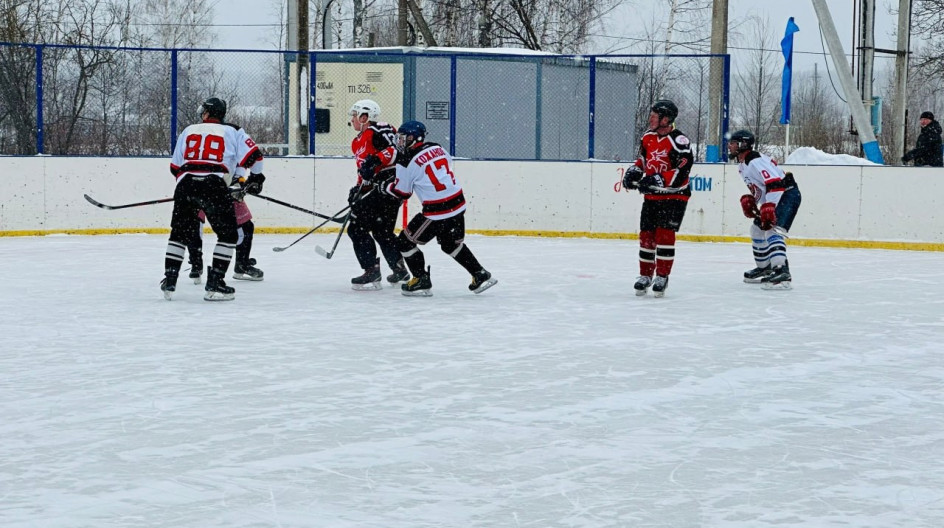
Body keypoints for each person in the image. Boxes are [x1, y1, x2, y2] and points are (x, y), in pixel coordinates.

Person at [369, 120, 496, 297]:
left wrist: (384, 186)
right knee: (450, 244)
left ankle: (420, 280)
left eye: (404, 139)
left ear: (415, 138)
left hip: (437, 209)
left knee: (404, 242)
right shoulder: (438, 148)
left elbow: (402, 193)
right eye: (399, 138)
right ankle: (480, 274)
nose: (400, 142)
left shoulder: (405, 161)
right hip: (458, 203)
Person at [160, 97, 265, 301]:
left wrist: (190, 186)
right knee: (227, 235)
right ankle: (216, 283)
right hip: (214, 185)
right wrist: (256, 179)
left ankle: (170, 281)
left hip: (186, 184)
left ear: (207, 113)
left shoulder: (189, 129)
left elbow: (175, 167)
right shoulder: (233, 130)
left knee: (179, 234)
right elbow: (256, 157)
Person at [621, 100, 693, 298]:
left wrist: (658, 178)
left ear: (666, 119)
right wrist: (634, 171)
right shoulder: (648, 138)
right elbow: (644, 160)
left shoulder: (680, 142)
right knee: (646, 235)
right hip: (652, 196)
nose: (651, 118)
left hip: (675, 196)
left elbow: (682, 171)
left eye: (655, 115)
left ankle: (662, 276)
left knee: (664, 235)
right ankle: (645, 275)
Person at [346, 99, 410, 291]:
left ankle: (371, 270)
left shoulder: (381, 129)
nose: (352, 119)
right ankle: (399, 268)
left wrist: (376, 160)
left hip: (388, 186)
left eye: (355, 115)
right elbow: (364, 171)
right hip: (378, 189)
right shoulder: (357, 141)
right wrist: (358, 189)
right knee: (382, 231)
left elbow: (397, 149)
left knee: (356, 228)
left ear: (365, 117)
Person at [728, 129, 801, 289]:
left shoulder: (754, 161)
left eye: (733, 143)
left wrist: (769, 207)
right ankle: (765, 268)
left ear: (742, 144)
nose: (730, 146)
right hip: (778, 194)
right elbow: (761, 189)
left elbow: (775, 184)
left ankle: (782, 272)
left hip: (787, 194)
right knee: (757, 229)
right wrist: (754, 202)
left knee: (772, 230)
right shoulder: (742, 165)